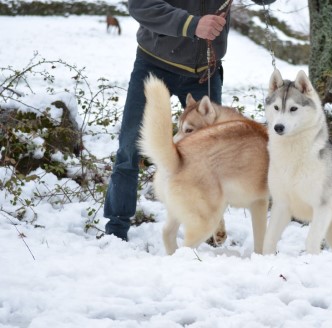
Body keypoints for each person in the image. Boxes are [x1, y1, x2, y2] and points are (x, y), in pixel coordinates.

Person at [104, 0, 275, 241]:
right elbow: (140, 5)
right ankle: (117, 227)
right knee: (130, 147)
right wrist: (191, 25)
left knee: (217, 156)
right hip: (154, 63)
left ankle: (210, 225)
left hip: (205, 70)